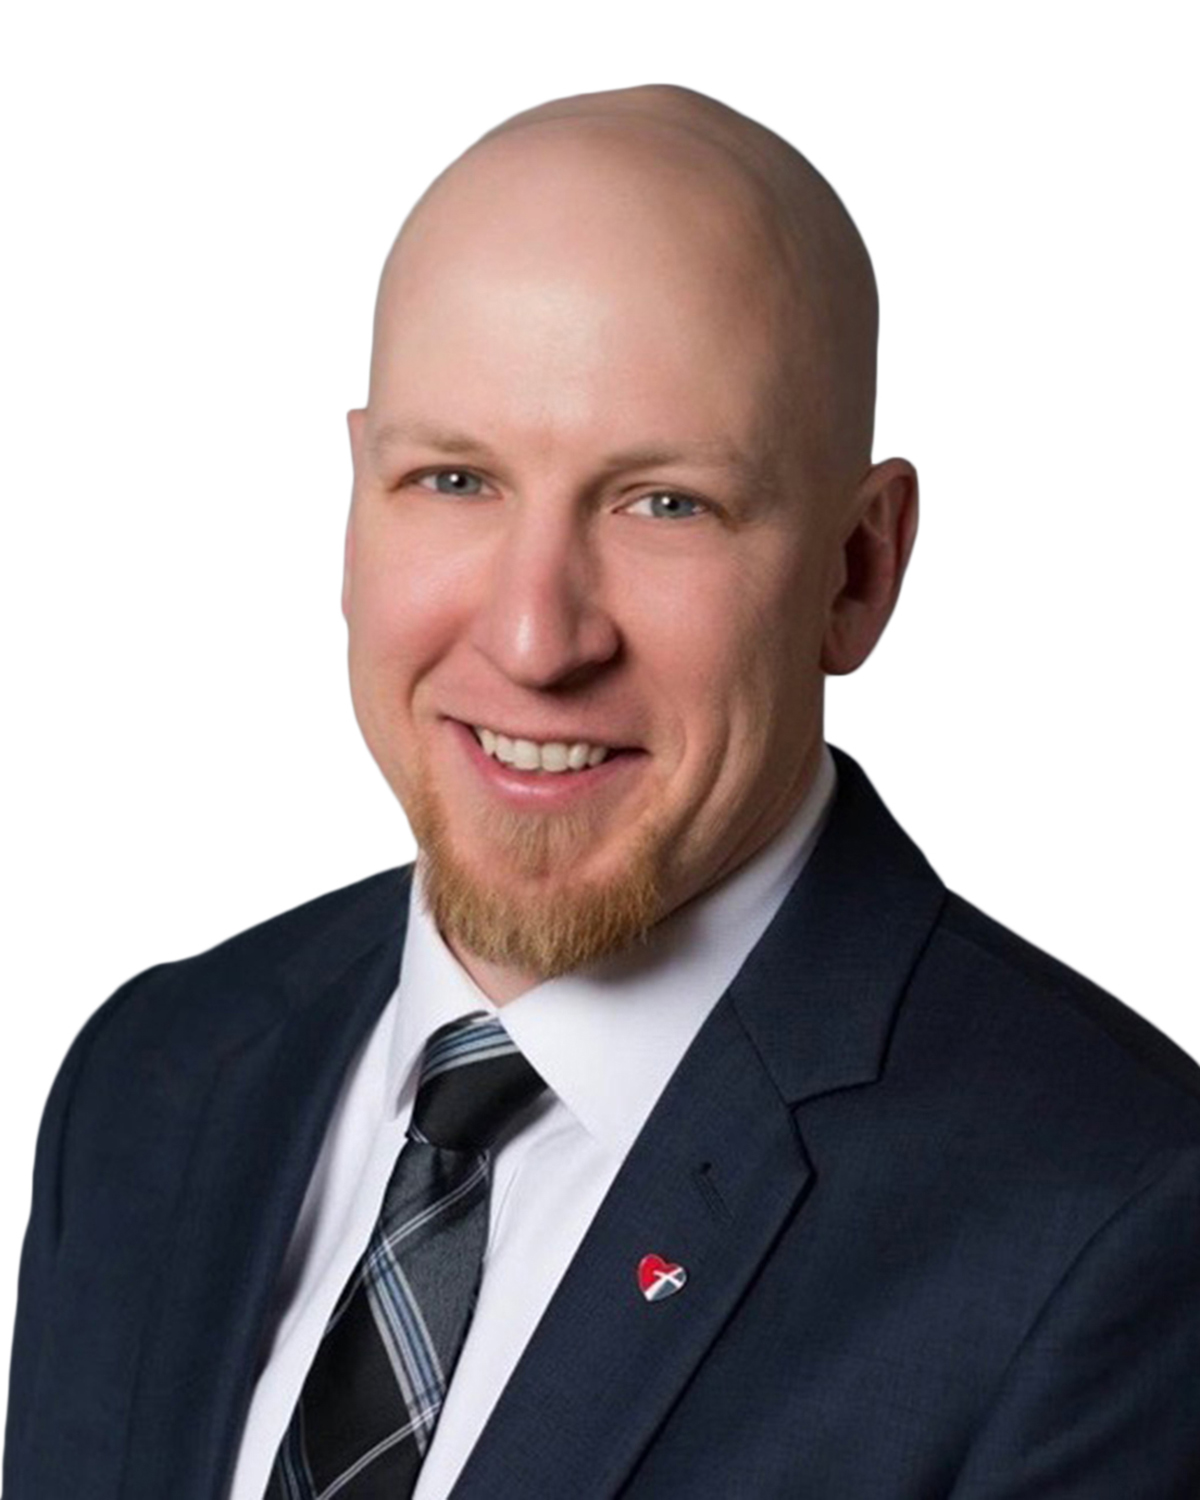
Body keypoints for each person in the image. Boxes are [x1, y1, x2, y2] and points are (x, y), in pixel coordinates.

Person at [5, 82, 1200, 1500]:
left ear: (857, 569)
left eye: (665, 504)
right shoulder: (151, 1079)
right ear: (355, 498)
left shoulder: (1116, 1224)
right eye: (454, 480)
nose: (534, 638)